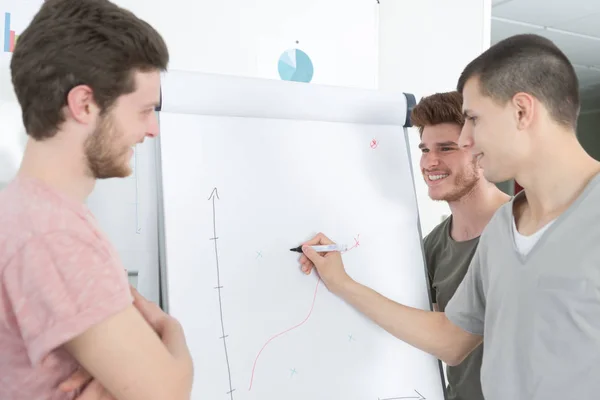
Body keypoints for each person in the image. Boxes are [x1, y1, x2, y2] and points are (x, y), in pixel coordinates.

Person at [298, 33, 600, 400]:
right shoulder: (502, 230)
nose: (468, 138)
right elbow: (450, 339)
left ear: (522, 111)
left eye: (473, 119)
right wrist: (342, 283)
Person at [0, 1, 193, 399]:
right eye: (143, 111)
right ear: (84, 104)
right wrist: (170, 331)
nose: (152, 129)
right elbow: (167, 395)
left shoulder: (22, 209)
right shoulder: (53, 234)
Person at [411, 91, 510, 399]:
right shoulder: (433, 246)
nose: (430, 161)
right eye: (425, 149)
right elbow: (429, 330)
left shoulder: (525, 225)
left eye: (446, 148)